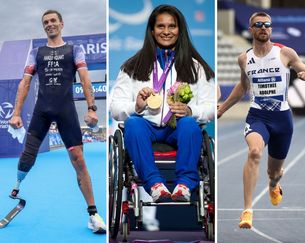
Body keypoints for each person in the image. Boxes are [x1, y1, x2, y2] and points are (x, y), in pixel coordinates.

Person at [217, 12, 305, 229]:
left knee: (274, 172)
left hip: (282, 119)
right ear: (251, 29)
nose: (263, 27)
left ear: (271, 29)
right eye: (258, 25)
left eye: (267, 25)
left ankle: (274, 184)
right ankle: (247, 211)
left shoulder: (285, 53)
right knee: (254, 152)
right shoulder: (244, 59)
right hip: (258, 116)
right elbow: (243, 87)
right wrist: (223, 108)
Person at [8, 10, 106, 233]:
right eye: (46, 22)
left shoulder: (75, 50)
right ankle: (17, 187)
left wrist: (91, 108)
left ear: (61, 24)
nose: (49, 24)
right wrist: (16, 113)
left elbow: (85, 78)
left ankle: (93, 214)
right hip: (42, 111)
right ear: (44, 27)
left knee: (78, 159)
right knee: (27, 157)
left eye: (53, 21)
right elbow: (25, 83)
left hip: (66, 111)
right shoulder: (36, 52)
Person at [110, 5, 214, 203]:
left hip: (178, 129)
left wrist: (190, 110)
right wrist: (137, 106)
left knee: (190, 123)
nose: (166, 31)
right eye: (161, 26)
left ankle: (184, 184)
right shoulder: (131, 67)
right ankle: (155, 184)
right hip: (146, 128)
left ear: (179, 30)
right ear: (151, 30)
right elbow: (115, 109)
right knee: (133, 123)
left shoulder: (196, 67)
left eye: (172, 26)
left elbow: (210, 108)